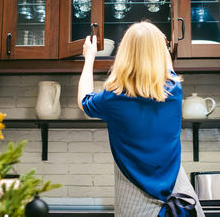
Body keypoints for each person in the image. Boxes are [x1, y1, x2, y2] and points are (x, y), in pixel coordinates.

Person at [78, 22, 204, 217]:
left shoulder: (113, 98)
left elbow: (83, 101)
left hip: (135, 208)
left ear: (124, 53)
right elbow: (167, 68)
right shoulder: (173, 90)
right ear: (161, 52)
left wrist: (89, 57)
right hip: (182, 205)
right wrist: (160, 45)